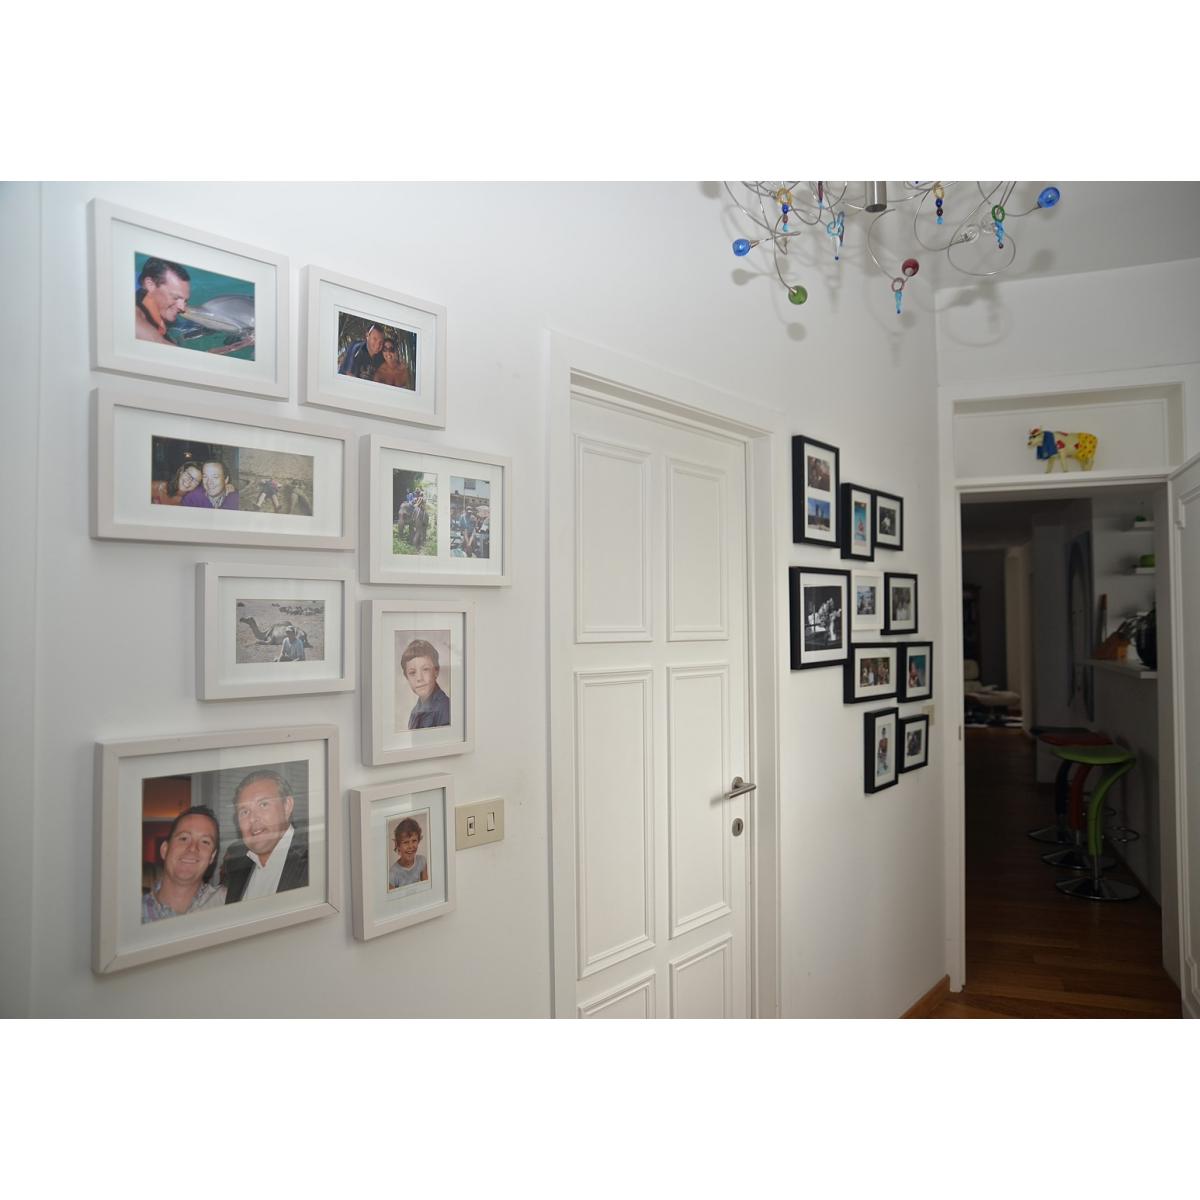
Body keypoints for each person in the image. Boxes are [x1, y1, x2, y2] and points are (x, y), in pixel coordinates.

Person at [223, 769, 308, 903]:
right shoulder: (236, 866)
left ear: (287, 806)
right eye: (244, 811)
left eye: (263, 805)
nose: (253, 819)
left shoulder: (315, 859)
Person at [141, 806, 226, 922]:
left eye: (205, 842)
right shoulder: (128, 914)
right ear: (165, 850)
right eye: (184, 838)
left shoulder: (227, 905)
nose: (193, 848)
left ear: (212, 857)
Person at [135, 258, 192, 345]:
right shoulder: (133, 313)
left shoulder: (161, 303)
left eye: (185, 300)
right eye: (175, 297)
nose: (182, 308)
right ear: (150, 285)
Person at [402, 638, 450, 729]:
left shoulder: (445, 708)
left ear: (436, 671)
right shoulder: (415, 712)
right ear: (406, 677)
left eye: (425, 669)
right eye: (412, 673)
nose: (419, 678)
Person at [387, 817, 430, 890]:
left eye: (414, 841)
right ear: (398, 845)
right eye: (406, 842)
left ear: (418, 841)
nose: (410, 846)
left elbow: (426, 888)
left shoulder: (422, 861)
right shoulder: (392, 874)